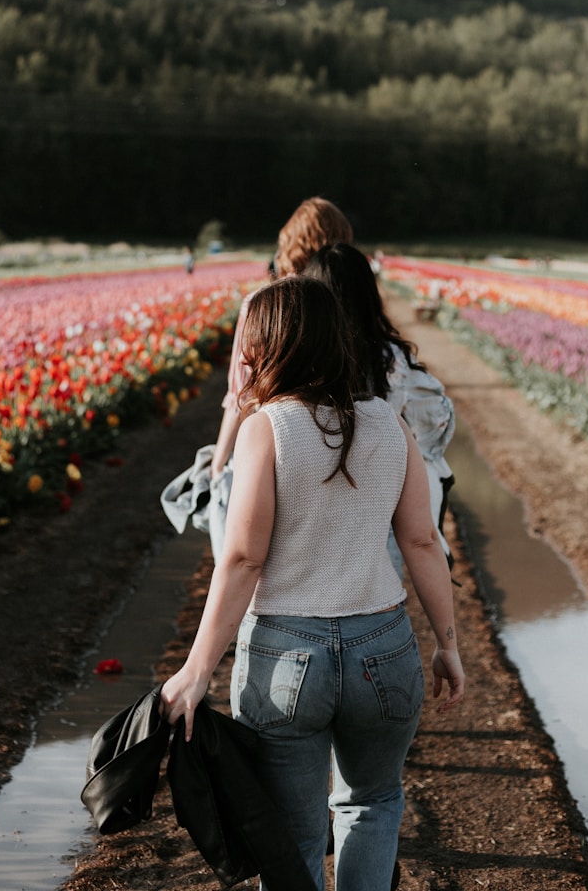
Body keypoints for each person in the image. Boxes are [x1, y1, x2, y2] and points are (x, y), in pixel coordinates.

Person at [160, 276, 465, 891]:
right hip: (383, 645)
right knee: (372, 803)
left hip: (285, 655)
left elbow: (243, 557)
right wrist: (447, 643)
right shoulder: (388, 423)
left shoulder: (266, 428)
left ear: (270, 346)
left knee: (294, 832)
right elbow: (424, 541)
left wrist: (197, 669)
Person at [304, 243, 456, 571]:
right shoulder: (389, 358)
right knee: (378, 600)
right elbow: (438, 416)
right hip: (379, 511)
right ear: (368, 294)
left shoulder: (298, 361)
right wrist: (415, 452)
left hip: (307, 510)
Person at [209, 197, 353, 482]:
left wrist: (219, 461)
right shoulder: (348, 306)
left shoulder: (261, 307)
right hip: (342, 447)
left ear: (292, 246)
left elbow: (241, 393)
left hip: (274, 445)